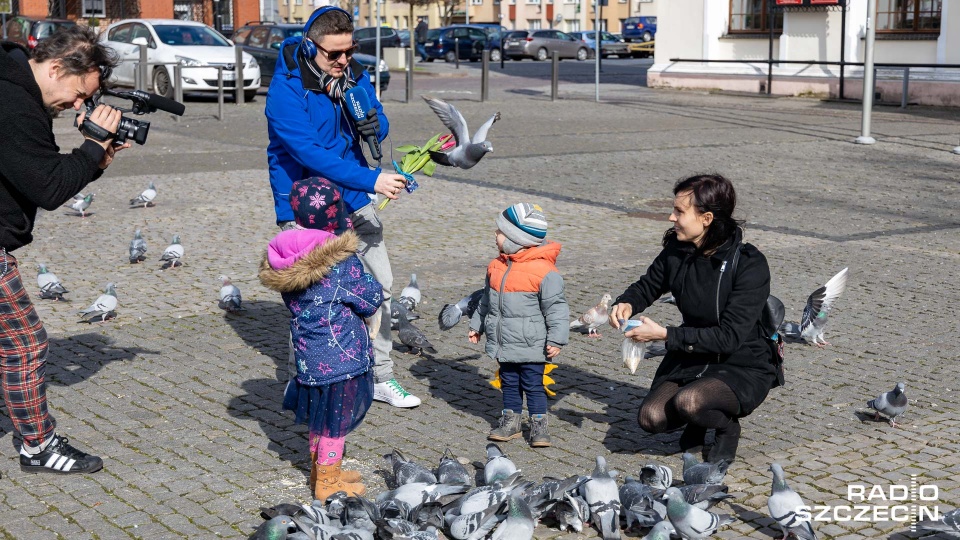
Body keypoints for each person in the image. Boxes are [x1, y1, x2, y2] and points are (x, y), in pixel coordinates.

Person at [265, 6, 421, 408]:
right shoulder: (286, 90)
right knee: (311, 298)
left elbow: (379, 123)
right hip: (309, 206)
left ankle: (382, 376)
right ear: (309, 45)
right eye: (333, 54)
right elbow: (309, 152)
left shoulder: (352, 74)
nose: (343, 60)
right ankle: (303, 378)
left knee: (381, 286)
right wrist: (373, 180)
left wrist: (368, 118)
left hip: (352, 195)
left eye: (349, 51)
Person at [0, 27, 127, 474]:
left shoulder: (17, 91)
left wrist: (95, 160)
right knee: (25, 344)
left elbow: (41, 174)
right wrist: (91, 145)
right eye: (78, 94)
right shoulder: (14, 104)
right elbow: (51, 186)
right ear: (55, 68)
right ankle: (38, 446)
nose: (77, 105)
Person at [608, 174, 777, 465]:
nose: (671, 217)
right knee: (651, 418)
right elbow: (649, 284)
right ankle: (698, 420)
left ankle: (725, 427)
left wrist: (664, 336)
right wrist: (626, 302)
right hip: (692, 354)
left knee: (690, 401)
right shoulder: (678, 248)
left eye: (680, 212)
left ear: (707, 217)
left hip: (741, 360)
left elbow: (729, 337)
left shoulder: (749, 263)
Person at [259, 177, 382, 499]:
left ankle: (320, 473)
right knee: (336, 423)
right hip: (340, 353)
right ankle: (328, 484)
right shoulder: (338, 260)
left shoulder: (288, 255)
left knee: (320, 416)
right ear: (335, 214)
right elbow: (369, 298)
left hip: (308, 353)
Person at [468, 204, 569, 448]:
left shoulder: (545, 272)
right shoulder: (496, 266)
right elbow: (485, 301)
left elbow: (556, 308)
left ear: (516, 238)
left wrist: (556, 339)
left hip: (532, 344)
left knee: (534, 385)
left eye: (500, 232)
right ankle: (510, 421)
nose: (495, 235)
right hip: (505, 342)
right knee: (509, 382)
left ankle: (538, 425)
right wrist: (477, 326)